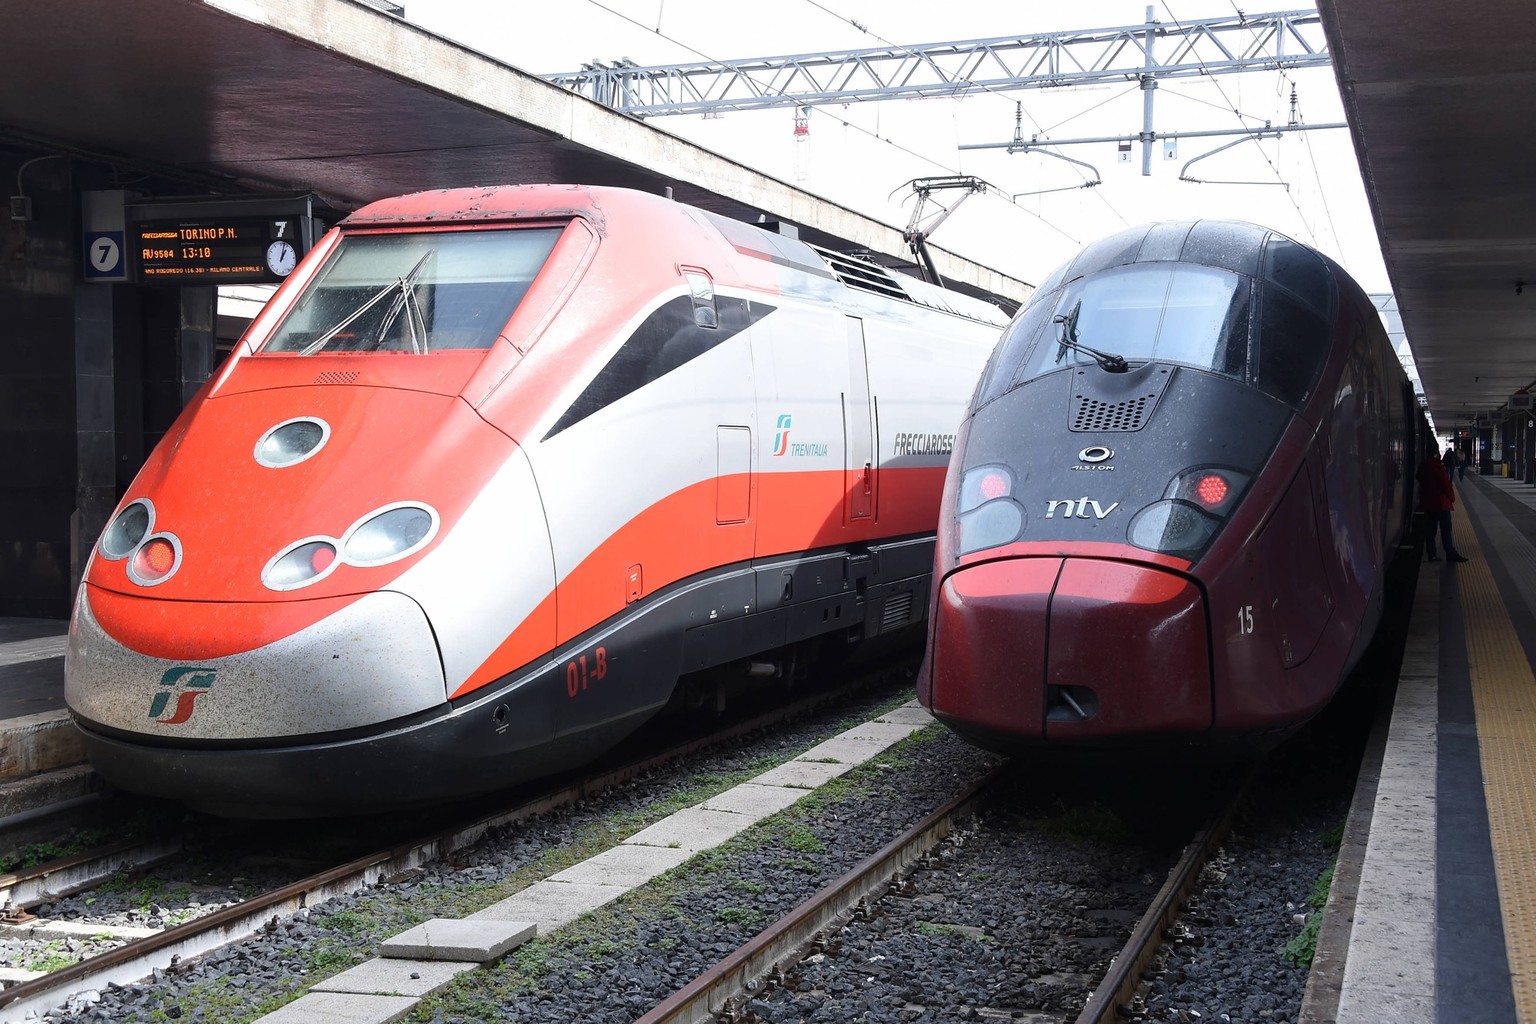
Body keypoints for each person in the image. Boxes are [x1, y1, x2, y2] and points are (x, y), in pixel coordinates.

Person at [1418, 448, 1468, 563]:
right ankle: (1450, 553)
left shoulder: (1424, 465)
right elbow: (1445, 484)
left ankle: (1432, 554)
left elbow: (1419, 477)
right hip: (1441, 503)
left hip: (1429, 504)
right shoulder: (1437, 466)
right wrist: (1452, 497)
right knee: (1446, 529)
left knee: (1431, 530)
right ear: (1436, 454)